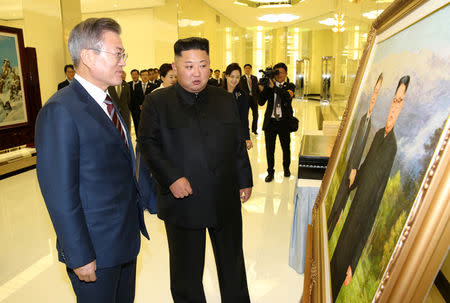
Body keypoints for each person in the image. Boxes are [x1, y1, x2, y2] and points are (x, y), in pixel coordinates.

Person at [35, 18, 149, 302]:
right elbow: (60, 193)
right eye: (118, 53)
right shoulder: (60, 110)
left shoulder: (109, 102)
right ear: (87, 56)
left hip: (123, 242)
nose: (123, 61)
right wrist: (79, 254)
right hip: (94, 252)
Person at [138, 37, 252, 303]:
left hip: (224, 197)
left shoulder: (224, 99)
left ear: (210, 65)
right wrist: (171, 178)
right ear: (176, 68)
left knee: (232, 264)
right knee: (186, 274)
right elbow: (147, 144)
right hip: (183, 200)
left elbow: (236, 142)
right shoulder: (158, 103)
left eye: (202, 65)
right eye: (189, 66)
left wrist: (244, 179)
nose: (196, 72)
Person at [330, 76, 410, 301]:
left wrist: (354, 262)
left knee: (338, 272)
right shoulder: (377, 136)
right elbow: (363, 172)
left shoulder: (391, 148)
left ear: (402, 107)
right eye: (394, 100)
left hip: (358, 225)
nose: (394, 108)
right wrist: (352, 180)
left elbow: (374, 205)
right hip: (349, 216)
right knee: (332, 263)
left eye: (400, 103)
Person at [327, 73, 383, 239]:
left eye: (378, 93)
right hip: (345, 171)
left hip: (351, 177)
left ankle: (327, 235)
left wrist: (354, 170)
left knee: (337, 213)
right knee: (333, 210)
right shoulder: (361, 118)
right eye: (374, 92)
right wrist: (351, 168)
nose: (374, 97)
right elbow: (353, 147)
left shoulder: (370, 123)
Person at [259, 62, 296, 182]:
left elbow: (286, 96)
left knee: (286, 147)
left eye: (281, 72)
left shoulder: (290, 86)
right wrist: (263, 89)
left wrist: (273, 87)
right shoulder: (269, 86)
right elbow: (260, 102)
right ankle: (270, 172)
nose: (279, 75)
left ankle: (286, 168)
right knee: (270, 149)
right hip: (271, 122)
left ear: (286, 73)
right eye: (277, 72)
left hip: (284, 122)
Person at [224, 63, 252, 150]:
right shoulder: (218, 93)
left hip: (237, 134)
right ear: (226, 76)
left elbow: (244, 118)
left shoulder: (242, 95)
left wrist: (247, 138)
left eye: (237, 77)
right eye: (232, 76)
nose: (234, 80)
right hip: (221, 134)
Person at [240, 63, 260, 135]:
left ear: (251, 69)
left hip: (254, 99)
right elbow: (240, 89)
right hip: (245, 99)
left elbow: (257, 89)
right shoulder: (241, 78)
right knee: (245, 115)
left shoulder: (254, 78)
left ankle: (254, 129)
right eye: (246, 68)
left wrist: (257, 97)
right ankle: (246, 129)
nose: (247, 69)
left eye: (249, 68)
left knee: (256, 115)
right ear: (244, 69)